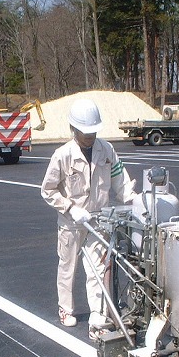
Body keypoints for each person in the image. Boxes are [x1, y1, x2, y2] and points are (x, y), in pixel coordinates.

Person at [41, 98, 136, 337]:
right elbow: (48, 190)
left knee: (96, 268)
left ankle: (97, 314)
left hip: (98, 220)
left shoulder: (107, 150)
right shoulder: (62, 155)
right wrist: (70, 208)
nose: (90, 136)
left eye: (93, 131)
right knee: (68, 267)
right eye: (85, 132)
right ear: (73, 129)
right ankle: (66, 308)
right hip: (72, 222)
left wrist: (135, 200)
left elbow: (120, 181)